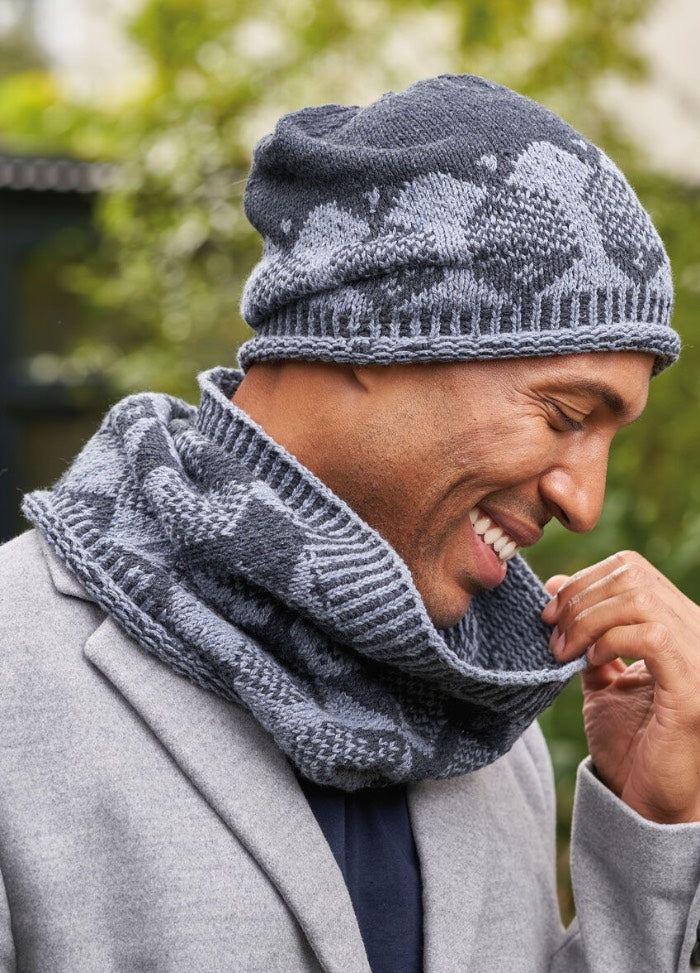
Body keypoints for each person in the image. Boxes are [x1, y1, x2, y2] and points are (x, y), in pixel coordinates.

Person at [1, 73, 699, 972]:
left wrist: (657, 823)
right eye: (566, 415)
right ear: (377, 334)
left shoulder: (487, 716)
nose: (585, 501)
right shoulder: (17, 675)